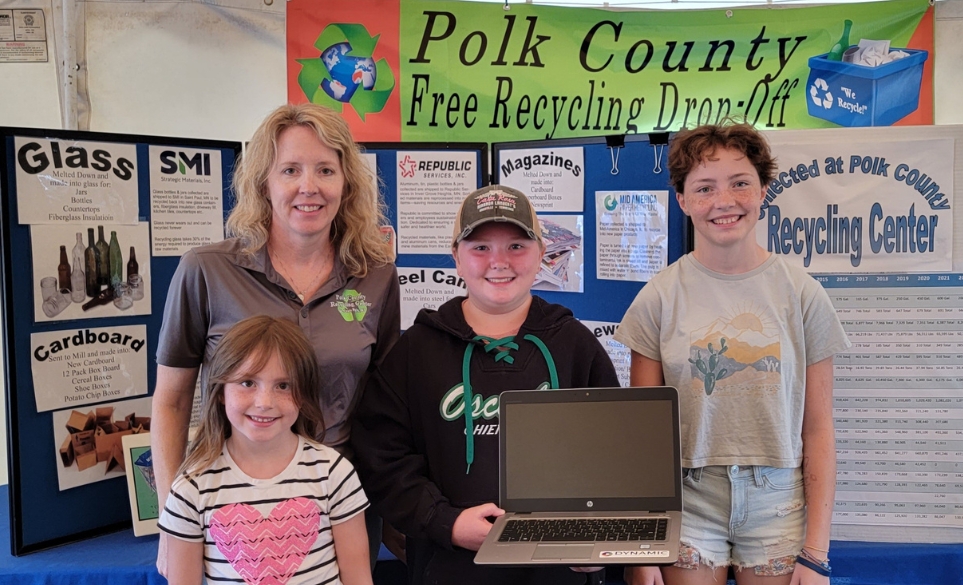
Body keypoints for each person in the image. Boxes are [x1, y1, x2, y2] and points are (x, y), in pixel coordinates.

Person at [152, 103, 399, 572]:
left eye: (325, 169)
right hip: (231, 504)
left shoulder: (376, 277)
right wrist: (173, 520)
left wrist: (399, 506)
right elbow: (171, 401)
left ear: (346, 183)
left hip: (342, 500)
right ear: (264, 182)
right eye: (290, 170)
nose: (309, 187)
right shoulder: (206, 270)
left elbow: (386, 406)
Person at [614, 122, 851, 585]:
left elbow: (819, 429)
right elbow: (643, 437)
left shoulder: (802, 294)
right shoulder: (658, 298)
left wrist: (816, 553)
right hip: (686, 498)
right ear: (682, 201)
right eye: (704, 188)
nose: (724, 201)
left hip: (778, 501)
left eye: (740, 183)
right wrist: (641, 546)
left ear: (763, 190)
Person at [351, 185, 620, 585]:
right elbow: (382, 457)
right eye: (479, 248)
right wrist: (446, 521)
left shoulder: (575, 345)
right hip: (451, 566)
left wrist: (597, 542)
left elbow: (614, 453)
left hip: (558, 569)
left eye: (516, 245)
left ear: (541, 253)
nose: (499, 262)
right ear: (456, 256)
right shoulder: (417, 351)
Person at [158, 315, 372, 585]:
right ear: (221, 391)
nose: (264, 402)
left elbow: (359, 579)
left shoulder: (334, 473)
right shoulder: (191, 488)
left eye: (283, 386)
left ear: (303, 395)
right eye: (247, 383)